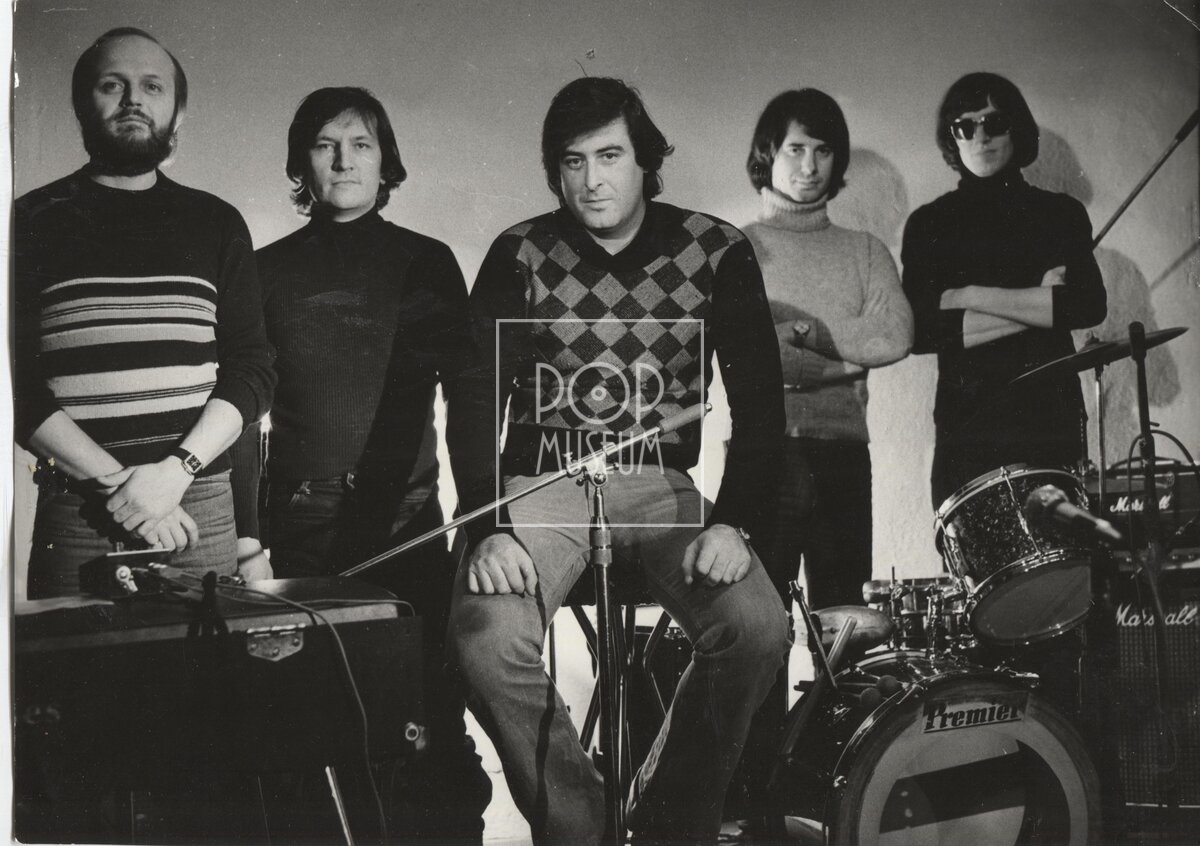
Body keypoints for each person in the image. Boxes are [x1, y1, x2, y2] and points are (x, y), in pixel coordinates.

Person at [445, 76, 790, 845]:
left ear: (645, 161)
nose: (592, 179)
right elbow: (472, 402)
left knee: (759, 627)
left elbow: (763, 406)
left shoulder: (716, 249)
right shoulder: (519, 252)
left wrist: (734, 522)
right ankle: (583, 829)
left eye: (610, 156)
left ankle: (668, 821)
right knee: (484, 638)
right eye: (573, 162)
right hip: (541, 483)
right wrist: (487, 529)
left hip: (660, 484)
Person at [229, 86, 491, 842]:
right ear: (302, 164)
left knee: (429, 730)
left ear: (386, 163)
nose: (343, 161)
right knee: (305, 737)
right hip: (299, 531)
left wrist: (482, 522)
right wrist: (248, 540)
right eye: (325, 145)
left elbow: (469, 396)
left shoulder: (426, 262)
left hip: (409, 525)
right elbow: (241, 410)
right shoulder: (265, 270)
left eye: (361, 145)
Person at [13, 27, 275, 600]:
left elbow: (252, 372)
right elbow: (15, 387)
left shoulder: (217, 223)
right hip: (79, 512)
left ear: (177, 111)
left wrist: (174, 473)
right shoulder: (26, 222)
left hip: (200, 505)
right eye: (113, 84)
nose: (133, 99)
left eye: (152, 86)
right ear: (82, 103)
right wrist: (127, 492)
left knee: (204, 658)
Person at [901, 72, 1106, 509]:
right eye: (965, 126)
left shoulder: (1060, 213)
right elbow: (919, 331)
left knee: (1060, 549)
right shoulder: (929, 223)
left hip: (1050, 421)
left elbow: (1088, 305)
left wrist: (964, 295)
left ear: (1016, 128)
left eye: (994, 123)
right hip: (967, 425)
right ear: (952, 137)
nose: (981, 137)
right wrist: (1040, 303)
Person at [744, 87, 912, 610]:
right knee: (759, 624)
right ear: (768, 154)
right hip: (763, 452)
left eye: (823, 151)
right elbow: (743, 358)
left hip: (843, 453)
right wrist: (846, 352)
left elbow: (895, 337)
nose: (810, 166)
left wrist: (802, 333)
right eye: (795, 149)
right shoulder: (735, 249)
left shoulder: (866, 251)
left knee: (846, 627)